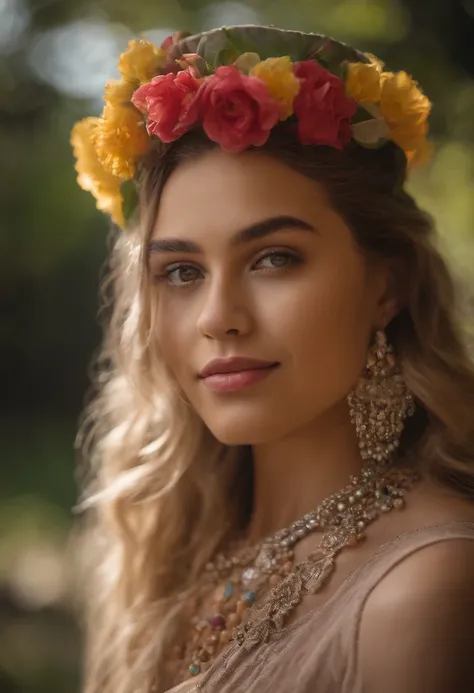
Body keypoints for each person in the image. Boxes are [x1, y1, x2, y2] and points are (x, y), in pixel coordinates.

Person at [71, 24, 474, 693]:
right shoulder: (173, 555)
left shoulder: (425, 592)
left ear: (387, 285)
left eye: (273, 258)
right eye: (180, 271)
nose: (217, 316)